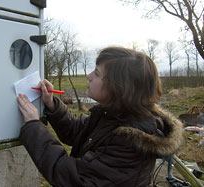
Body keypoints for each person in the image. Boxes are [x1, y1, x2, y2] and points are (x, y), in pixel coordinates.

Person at [17, 46, 183, 187]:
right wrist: (52, 104)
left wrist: (33, 126)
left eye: (96, 73)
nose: (88, 76)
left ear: (118, 87)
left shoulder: (130, 140)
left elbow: (72, 178)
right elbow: (78, 131)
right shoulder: (113, 115)